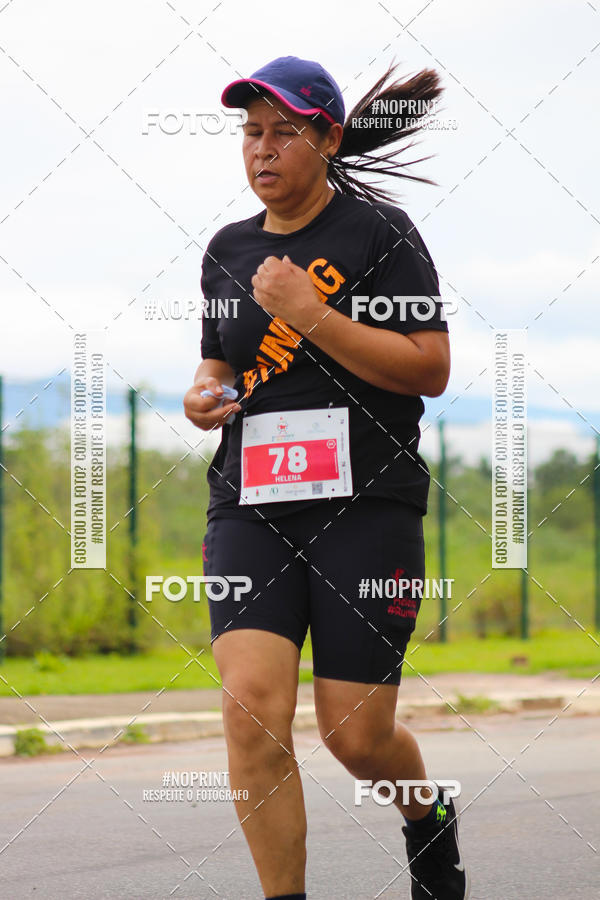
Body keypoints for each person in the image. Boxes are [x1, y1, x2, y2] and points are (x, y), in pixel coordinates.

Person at [184, 55, 469, 900]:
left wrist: (313, 315)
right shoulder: (228, 250)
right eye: (251, 134)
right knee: (250, 714)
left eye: (282, 133)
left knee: (356, 736)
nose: (262, 150)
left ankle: (426, 814)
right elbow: (215, 365)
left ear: (328, 138)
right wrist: (208, 394)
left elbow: (430, 368)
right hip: (253, 505)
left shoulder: (381, 236)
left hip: (365, 508)